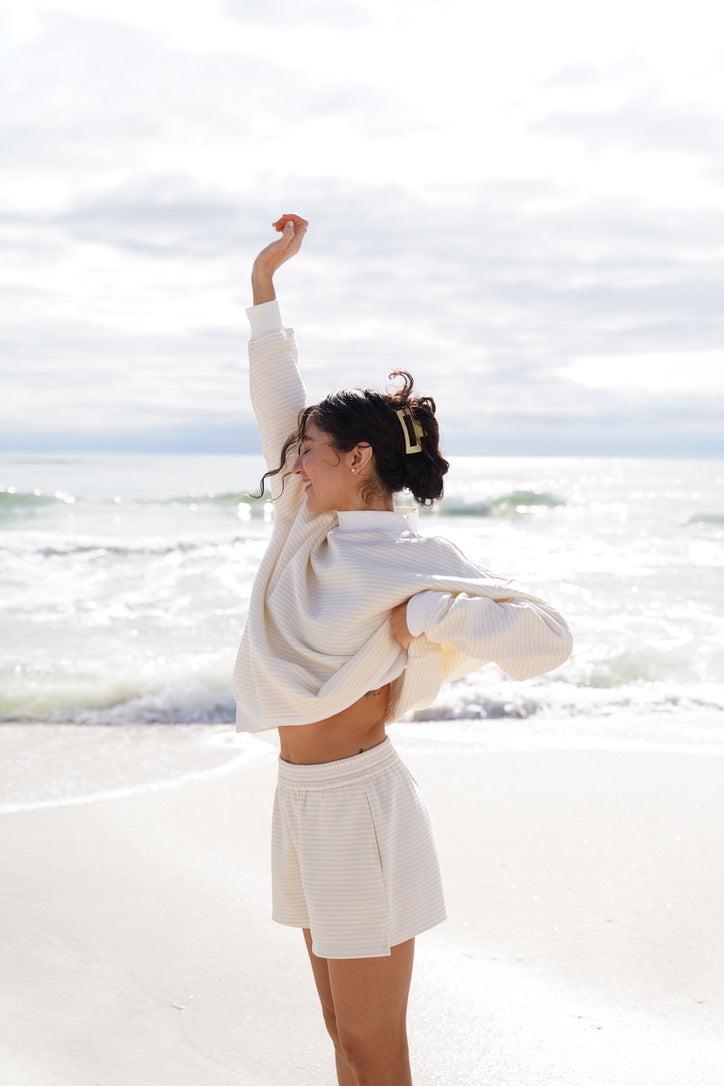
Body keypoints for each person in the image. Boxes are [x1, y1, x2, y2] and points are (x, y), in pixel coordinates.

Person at [233, 213, 574, 1086]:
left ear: (357, 459)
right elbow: (276, 396)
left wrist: (428, 614)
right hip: (298, 798)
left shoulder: (411, 557)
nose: (294, 462)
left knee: (372, 1045)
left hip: (359, 806)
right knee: (340, 1037)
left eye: (311, 451)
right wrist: (265, 287)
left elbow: (548, 638)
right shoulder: (305, 524)